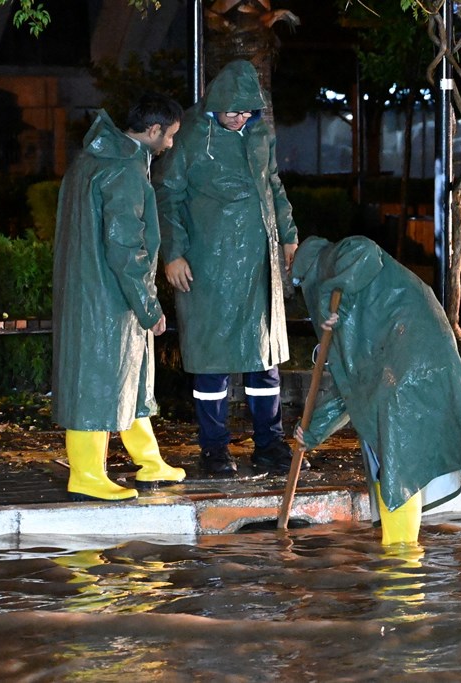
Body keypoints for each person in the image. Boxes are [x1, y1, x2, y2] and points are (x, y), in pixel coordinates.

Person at [291, 236, 461, 545]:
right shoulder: (342, 317)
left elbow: (365, 253)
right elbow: (348, 387)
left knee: (397, 460)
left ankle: (401, 554)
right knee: (387, 458)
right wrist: (312, 431)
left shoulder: (343, 255)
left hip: (409, 361)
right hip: (401, 366)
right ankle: (399, 550)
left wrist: (336, 299)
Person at [154, 59, 301, 477]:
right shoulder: (191, 136)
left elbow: (273, 184)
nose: (240, 117)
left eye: (247, 110)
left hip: (259, 262)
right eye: (233, 110)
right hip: (208, 265)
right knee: (211, 362)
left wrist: (288, 234)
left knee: (264, 357)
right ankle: (214, 449)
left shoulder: (259, 134)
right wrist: (174, 253)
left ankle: (269, 444)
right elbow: (168, 194)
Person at [52, 93, 186, 502]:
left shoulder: (92, 161)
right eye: (169, 136)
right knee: (99, 382)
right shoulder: (124, 171)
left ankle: (150, 460)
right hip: (108, 298)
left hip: (94, 291)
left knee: (129, 377)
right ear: (152, 130)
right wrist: (148, 305)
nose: (170, 144)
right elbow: (126, 247)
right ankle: (88, 474)